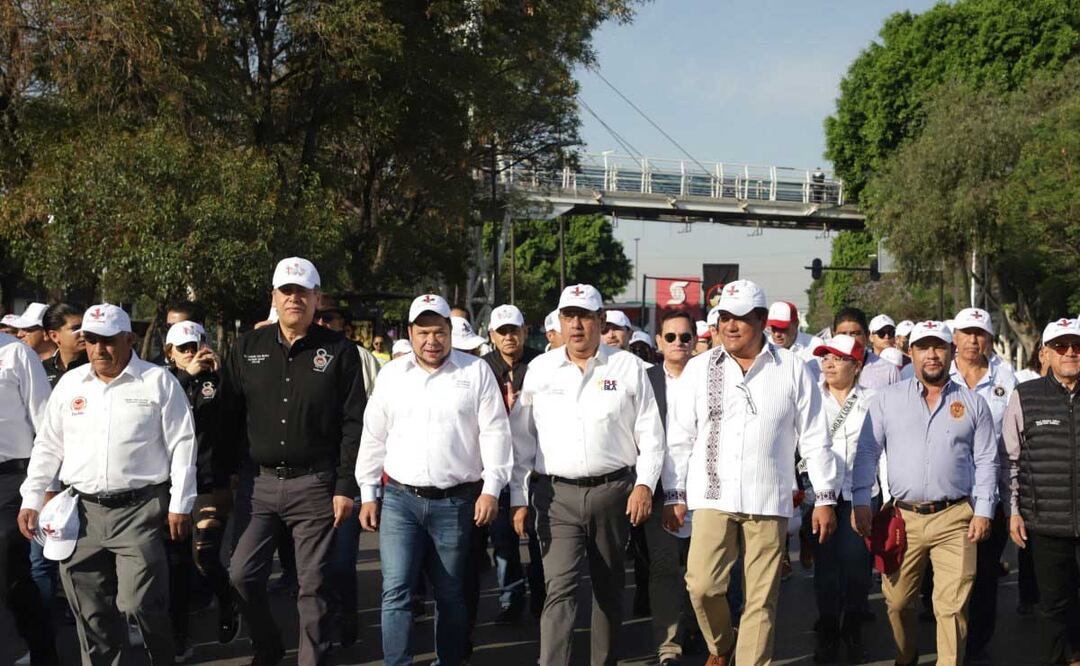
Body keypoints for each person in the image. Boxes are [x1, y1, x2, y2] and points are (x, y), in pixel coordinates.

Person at [662, 279, 839, 666]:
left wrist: (825, 497)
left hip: (769, 497)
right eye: (724, 317)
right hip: (712, 495)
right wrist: (674, 493)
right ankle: (722, 645)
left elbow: (815, 436)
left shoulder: (792, 368)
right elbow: (679, 437)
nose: (730, 326)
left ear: (760, 319)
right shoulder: (699, 368)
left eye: (740, 318)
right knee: (702, 585)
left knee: (761, 601)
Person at [18, 303, 198, 665]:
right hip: (81, 514)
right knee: (92, 615)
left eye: (109, 340)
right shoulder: (70, 384)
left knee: (140, 604)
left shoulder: (157, 381)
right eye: (91, 340)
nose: (99, 349)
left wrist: (181, 503)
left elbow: (182, 443)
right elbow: (48, 445)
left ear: (129, 339)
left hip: (139, 511)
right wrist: (33, 497)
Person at [219, 257, 366, 666]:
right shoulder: (247, 347)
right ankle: (267, 646)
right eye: (286, 291)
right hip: (258, 484)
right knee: (241, 574)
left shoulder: (341, 351)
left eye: (303, 292)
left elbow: (354, 423)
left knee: (313, 585)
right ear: (274, 296)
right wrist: (224, 477)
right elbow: (228, 416)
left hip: (315, 483)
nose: (294, 299)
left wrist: (345, 486)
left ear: (317, 298)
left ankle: (311, 659)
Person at [510, 283, 665, 666]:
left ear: (600, 319)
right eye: (569, 317)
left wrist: (644, 485)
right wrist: (518, 498)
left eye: (584, 317)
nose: (576, 325)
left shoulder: (627, 367)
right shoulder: (540, 370)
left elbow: (651, 434)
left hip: (613, 493)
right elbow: (521, 440)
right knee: (559, 589)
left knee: (608, 590)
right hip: (555, 496)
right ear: (560, 321)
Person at [356, 293, 512, 666]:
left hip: (456, 502)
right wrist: (368, 491)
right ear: (410, 333)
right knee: (396, 591)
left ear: (449, 332)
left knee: (450, 593)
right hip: (400, 501)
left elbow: (495, 433)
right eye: (423, 332)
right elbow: (374, 435)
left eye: (439, 331)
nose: (432, 340)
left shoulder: (475, 372)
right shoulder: (392, 375)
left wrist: (492, 489)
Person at [851, 320, 998, 666]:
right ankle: (907, 656)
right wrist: (860, 500)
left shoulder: (974, 403)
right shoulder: (887, 400)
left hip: (955, 518)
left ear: (951, 351)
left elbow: (987, 459)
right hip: (903, 518)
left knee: (951, 607)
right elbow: (867, 451)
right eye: (923, 347)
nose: (932, 355)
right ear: (911, 353)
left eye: (939, 347)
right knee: (898, 602)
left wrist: (984, 511)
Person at [1003, 317, 1080, 665]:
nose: (1070, 352)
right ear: (1045, 353)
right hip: (1046, 523)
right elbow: (1010, 460)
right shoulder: (1026, 396)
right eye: (1061, 346)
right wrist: (1013, 511)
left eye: (1077, 346)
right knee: (1053, 607)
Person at [161, 320, 240, 658]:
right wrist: (186, 376)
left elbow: (236, 423)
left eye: (197, 346)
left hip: (210, 479)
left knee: (205, 556)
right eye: (184, 349)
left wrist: (221, 378)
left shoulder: (219, 382)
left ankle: (226, 598)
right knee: (176, 565)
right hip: (170, 483)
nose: (192, 353)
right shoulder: (162, 381)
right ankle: (180, 637)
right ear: (170, 353)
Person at [949, 307, 1016, 660]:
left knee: (986, 572)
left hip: (993, 493)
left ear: (989, 339)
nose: (973, 340)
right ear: (955, 337)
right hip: (950, 492)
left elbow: (1015, 436)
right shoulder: (939, 374)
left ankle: (977, 644)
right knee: (952, 575)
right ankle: (951, 639)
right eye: (966, 332)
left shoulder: (1005, 377)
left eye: (980, 334)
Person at [808, 335, 877, 663]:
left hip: (859, 493)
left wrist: (886, 496)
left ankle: (853, 626)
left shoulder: (874, 400)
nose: (829, 364)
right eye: (825, 358)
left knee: (856, 564)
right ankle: (828, 629)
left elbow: (880, 449)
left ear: (857, 365)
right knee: (825, 566)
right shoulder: (811, 397)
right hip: (819, 494)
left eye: (838, 358)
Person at [0, 325, 59, 665]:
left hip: (10, 479)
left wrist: (48, 488)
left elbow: (46, 424)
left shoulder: (16, 353)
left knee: (11, 572)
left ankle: (42, 652)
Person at [481, 304, 544, 623]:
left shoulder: (540, 365)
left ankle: (542, 597)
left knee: (539, 539)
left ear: (525, 331)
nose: (509, 337)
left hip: (534, 464)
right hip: (495, 465)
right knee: (503, 541)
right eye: (502, 332)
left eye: (514, 331)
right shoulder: (481, 368)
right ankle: (511, 599)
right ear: (492, 335)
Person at [644, 310, 699, 666]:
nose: (678, 343)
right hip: (659, 491)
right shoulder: (645, 380)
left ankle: (699, 630)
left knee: (702, 573)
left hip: (705, 492)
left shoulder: (709, 378)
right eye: (670, 337)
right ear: (659, 341)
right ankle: (669, 645)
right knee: (664, 569)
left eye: (685, 337)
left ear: (695, 340)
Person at [831, 308, 900, 389]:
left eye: (855, 334)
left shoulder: (888, 371)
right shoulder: (825, 370)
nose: (848, 339)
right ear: (833, 336)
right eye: (842, 334)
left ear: (867, 336)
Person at [41, 303, 87, 386]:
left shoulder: (96, 366)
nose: (83, 333)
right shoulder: (42, 369)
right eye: (76, 328)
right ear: (54, 336)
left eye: (85, 327)